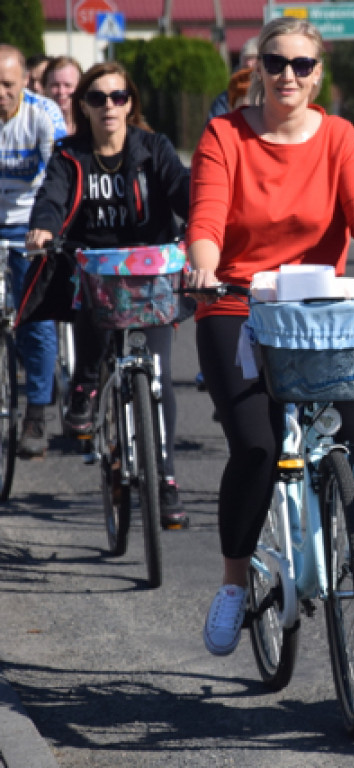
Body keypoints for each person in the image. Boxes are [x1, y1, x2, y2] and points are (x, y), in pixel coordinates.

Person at [186, 17, 354, 657]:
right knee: (258, 446)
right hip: (236, 304)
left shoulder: (340, 137)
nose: (288, 74)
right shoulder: (224, 135)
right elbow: (206, 217)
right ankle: (235, 584)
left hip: (317, 309)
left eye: (302, 65)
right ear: (257, 66)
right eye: (276, 61)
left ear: (319, 74)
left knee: (353, 406)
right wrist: (203, 264)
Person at [24, 62, 191, 528]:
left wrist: (203, 215)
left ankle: (167, 478)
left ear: (130, 103)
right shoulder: (69, 154)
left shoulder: (152, 148)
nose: (109, 106)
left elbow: (180, 187)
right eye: (97, 98)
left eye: (118, 97)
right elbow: (53, 197)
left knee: (157, 376)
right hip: (93, 268)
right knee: (89, 324)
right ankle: (83, 386)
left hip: (150, 274)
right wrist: (44, 228)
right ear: (84, 106)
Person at [0, 45, 65, 458]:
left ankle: (37, 415)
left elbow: (60, 171)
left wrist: (47, 227)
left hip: (31, 225)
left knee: (35, 321)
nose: (0, 93)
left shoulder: (43, 114)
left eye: (7, 84)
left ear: (26, 81)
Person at [206, 37, 258, 122]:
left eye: (253, 57)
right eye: (245, 58)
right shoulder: (225, 98)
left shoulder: (270, 95)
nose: (249, 63)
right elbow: (216, 125)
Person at [42, 56, 82, 135]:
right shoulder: (33, 125)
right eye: (55, 85)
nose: (61, 91)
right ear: (45, 88)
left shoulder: (91, 125)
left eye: (68, 85)